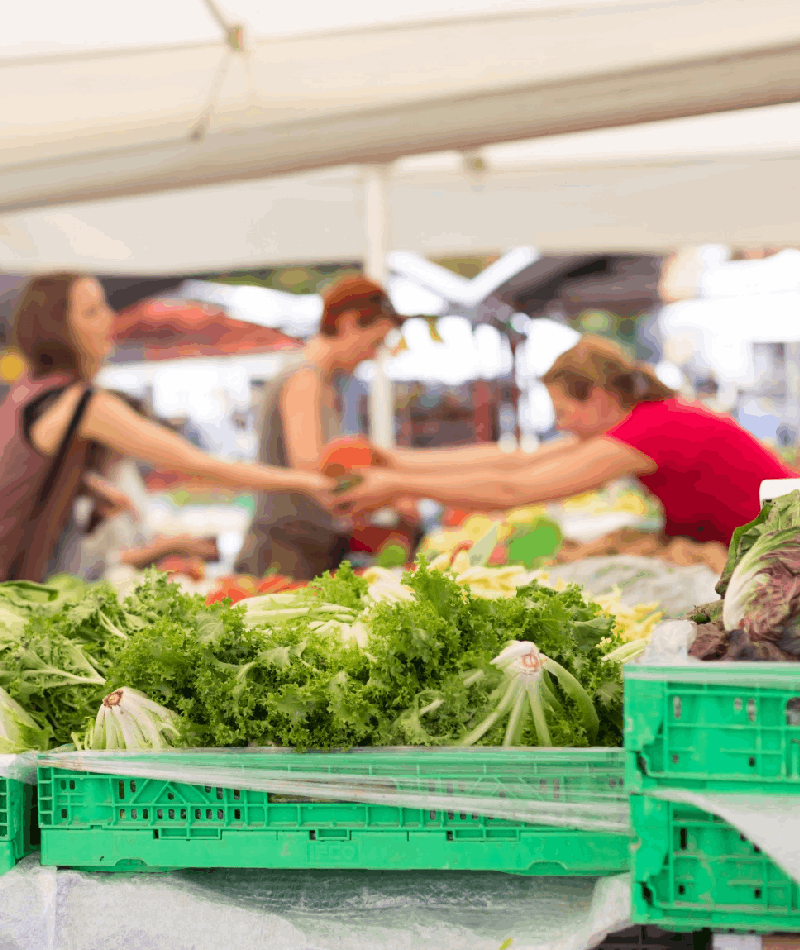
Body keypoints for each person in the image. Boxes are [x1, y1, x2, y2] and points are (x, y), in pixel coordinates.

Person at [0, 274, 334, 583]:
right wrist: (307, 482)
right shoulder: (83, 404)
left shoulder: (28, 390)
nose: (108, 320)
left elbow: (18, 469)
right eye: (91, 312)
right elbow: (198, 464)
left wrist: (85, 483)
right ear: (58, 330)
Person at [338, 335, 797, 547]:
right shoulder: (645, 422)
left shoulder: (648, 431)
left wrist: (398, 485)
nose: (562, 426)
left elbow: (512, 490)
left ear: (597, 398)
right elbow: (514, 464)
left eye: (563, 412)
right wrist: (393, 464)